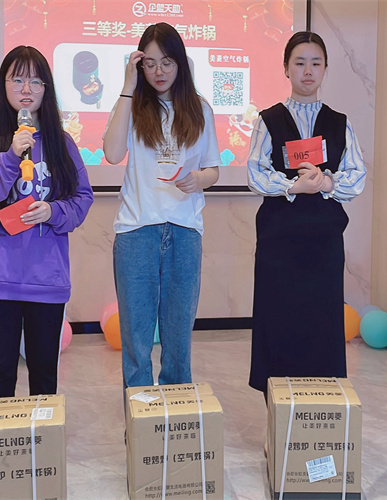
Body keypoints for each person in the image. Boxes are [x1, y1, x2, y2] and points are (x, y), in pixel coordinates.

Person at [0, 46, 94, 398]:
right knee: (0, 378)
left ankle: (42, 436)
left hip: (46, 278)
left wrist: (53, 212)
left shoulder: (62, 143)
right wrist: (10, 156)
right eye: (17, 79)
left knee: (44, 378)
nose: (26, 89)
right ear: (3, 85)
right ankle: (2, 437)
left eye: (36, 81)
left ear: (46, 89)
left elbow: (82, 199)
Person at [246, 31, 366, 399]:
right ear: (286, 68)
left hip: (323, 246)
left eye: (316, 63)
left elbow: (356, 175)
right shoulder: (268, 119)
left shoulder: (339, 122)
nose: (308, 70)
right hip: (278, 245)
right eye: (300, 63)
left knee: (321, 324)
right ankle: (278, 409)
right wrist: (294, 186)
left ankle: (319, 407)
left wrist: (326, 182)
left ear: (325, 68)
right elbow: (255, 172)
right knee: (278, 322)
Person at [102, 22, 220, 389]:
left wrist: (198, 179)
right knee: (136, 338)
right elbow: (112, 154)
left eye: (167, 62)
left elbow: (213, 170)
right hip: (137, 230)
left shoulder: (200, 109)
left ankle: (176, 413)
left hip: (185, 231)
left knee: (178, 339)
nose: (159, 72)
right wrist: (127, 87)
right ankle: (141, 415)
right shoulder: (131, 106)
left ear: (180, 63)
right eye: (149, 64)